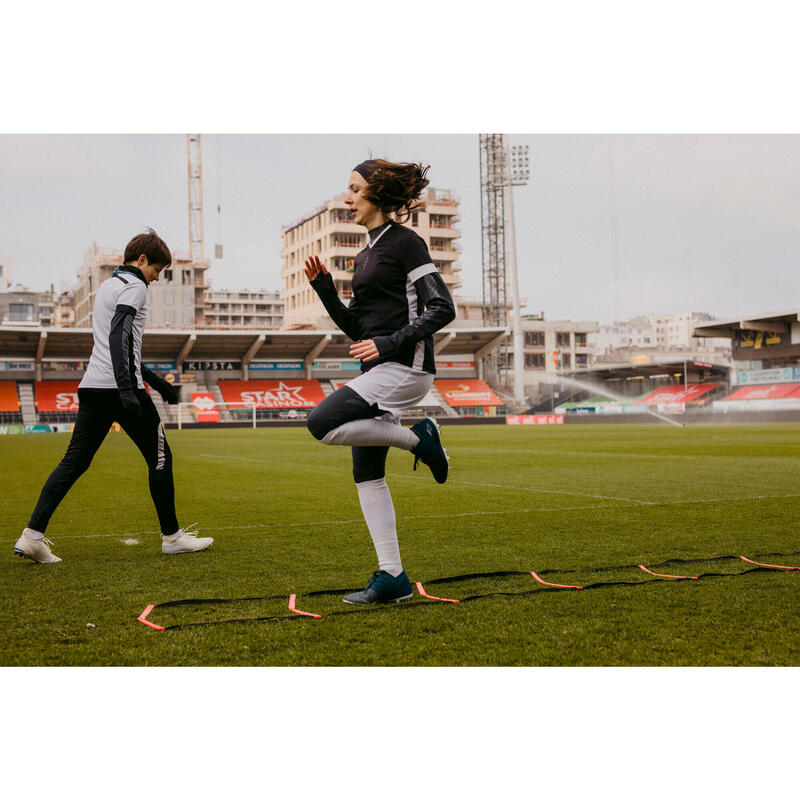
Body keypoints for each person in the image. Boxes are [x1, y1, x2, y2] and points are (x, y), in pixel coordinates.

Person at [305, 158, 456, 604]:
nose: (347, 198)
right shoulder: (364, 254)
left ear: (377, 193)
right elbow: (358, 331)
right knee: (366, 473)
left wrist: (389, 344)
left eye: (354, 189)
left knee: (321, 423)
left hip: (407, 367)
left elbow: (441, 307)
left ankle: (419, 440)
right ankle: (393, 575)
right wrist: (325, 290)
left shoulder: (407, 244)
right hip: (382, 366)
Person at [13, 229, 212, 563]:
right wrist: (126, 387)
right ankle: (173, 537)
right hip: (122, 389)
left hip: (93, 386)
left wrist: (158, 383)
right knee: (161, 458)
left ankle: (31, 536)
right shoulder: (134, 286)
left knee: (74, 462)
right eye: (156, 271)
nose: (155, 279)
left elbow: (120, 345)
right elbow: (120, 334)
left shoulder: (108, 285)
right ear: (142, 260)